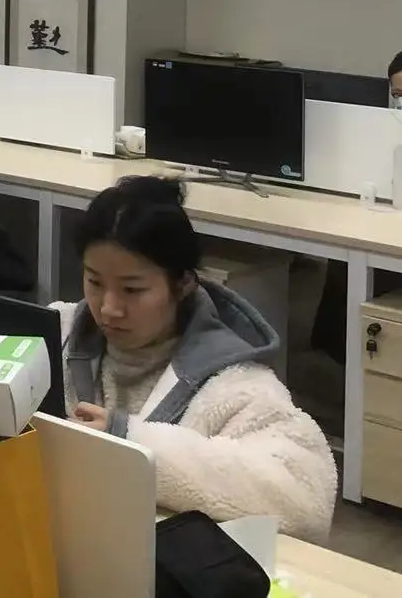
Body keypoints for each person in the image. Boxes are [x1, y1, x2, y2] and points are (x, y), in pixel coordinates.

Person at [54, 175, 336, 540]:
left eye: (132, 290)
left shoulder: (234, 383)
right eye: (94, 282)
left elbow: (306, 501)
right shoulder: (56, 334)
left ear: (183, 284)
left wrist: (133, 443)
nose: (109, 308)